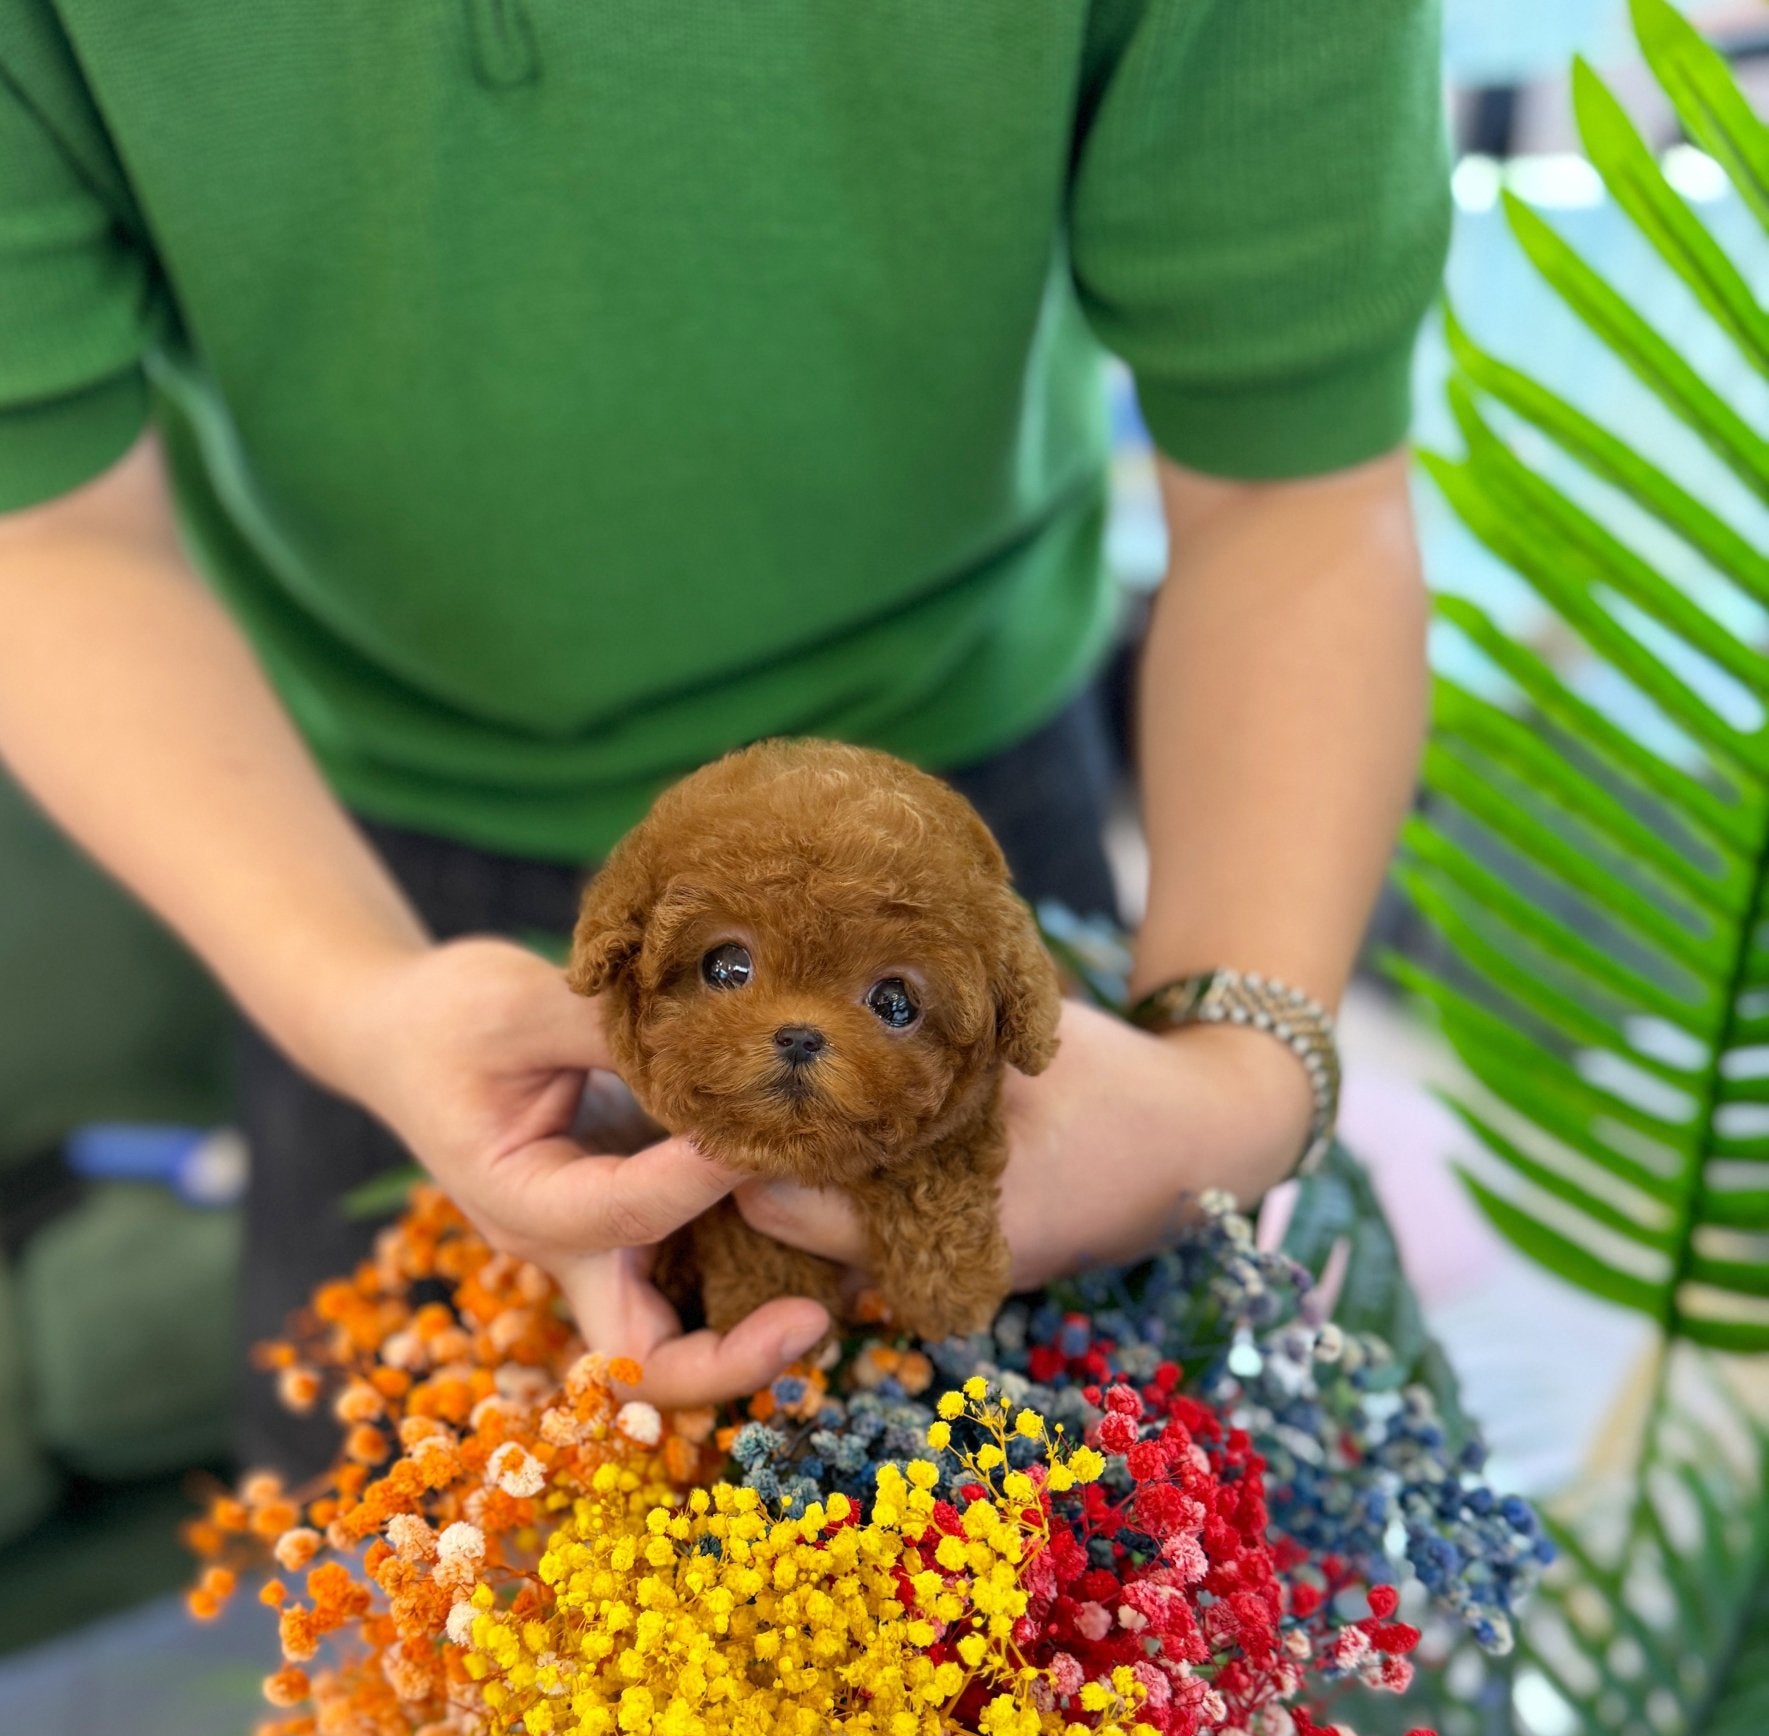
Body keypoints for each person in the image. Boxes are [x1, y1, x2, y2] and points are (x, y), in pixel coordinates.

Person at [0, 1, 1447, 1467]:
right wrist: (352, 1001)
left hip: (965, 799)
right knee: (398, 1579)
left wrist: (1232, 1078)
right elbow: (41, 519)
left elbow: (1297, 478)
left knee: (1082, 1597)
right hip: (345, 845)